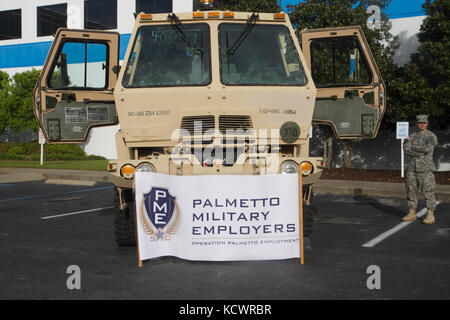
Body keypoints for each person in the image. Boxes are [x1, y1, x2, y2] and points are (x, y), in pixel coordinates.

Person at [402, 114, 438, 224]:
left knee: (428, 191)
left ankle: (430, 215)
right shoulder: (412, 135)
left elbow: (427, 149)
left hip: (425, 169)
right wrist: (418, 153)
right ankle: (411, 213)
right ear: (417, 124)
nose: (422, 124)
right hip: (412, 168)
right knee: (411, 191)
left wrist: (412, 146)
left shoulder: (431, 136)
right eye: (420, 123)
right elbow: (405, 149)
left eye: (424, 123)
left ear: (427, 123)